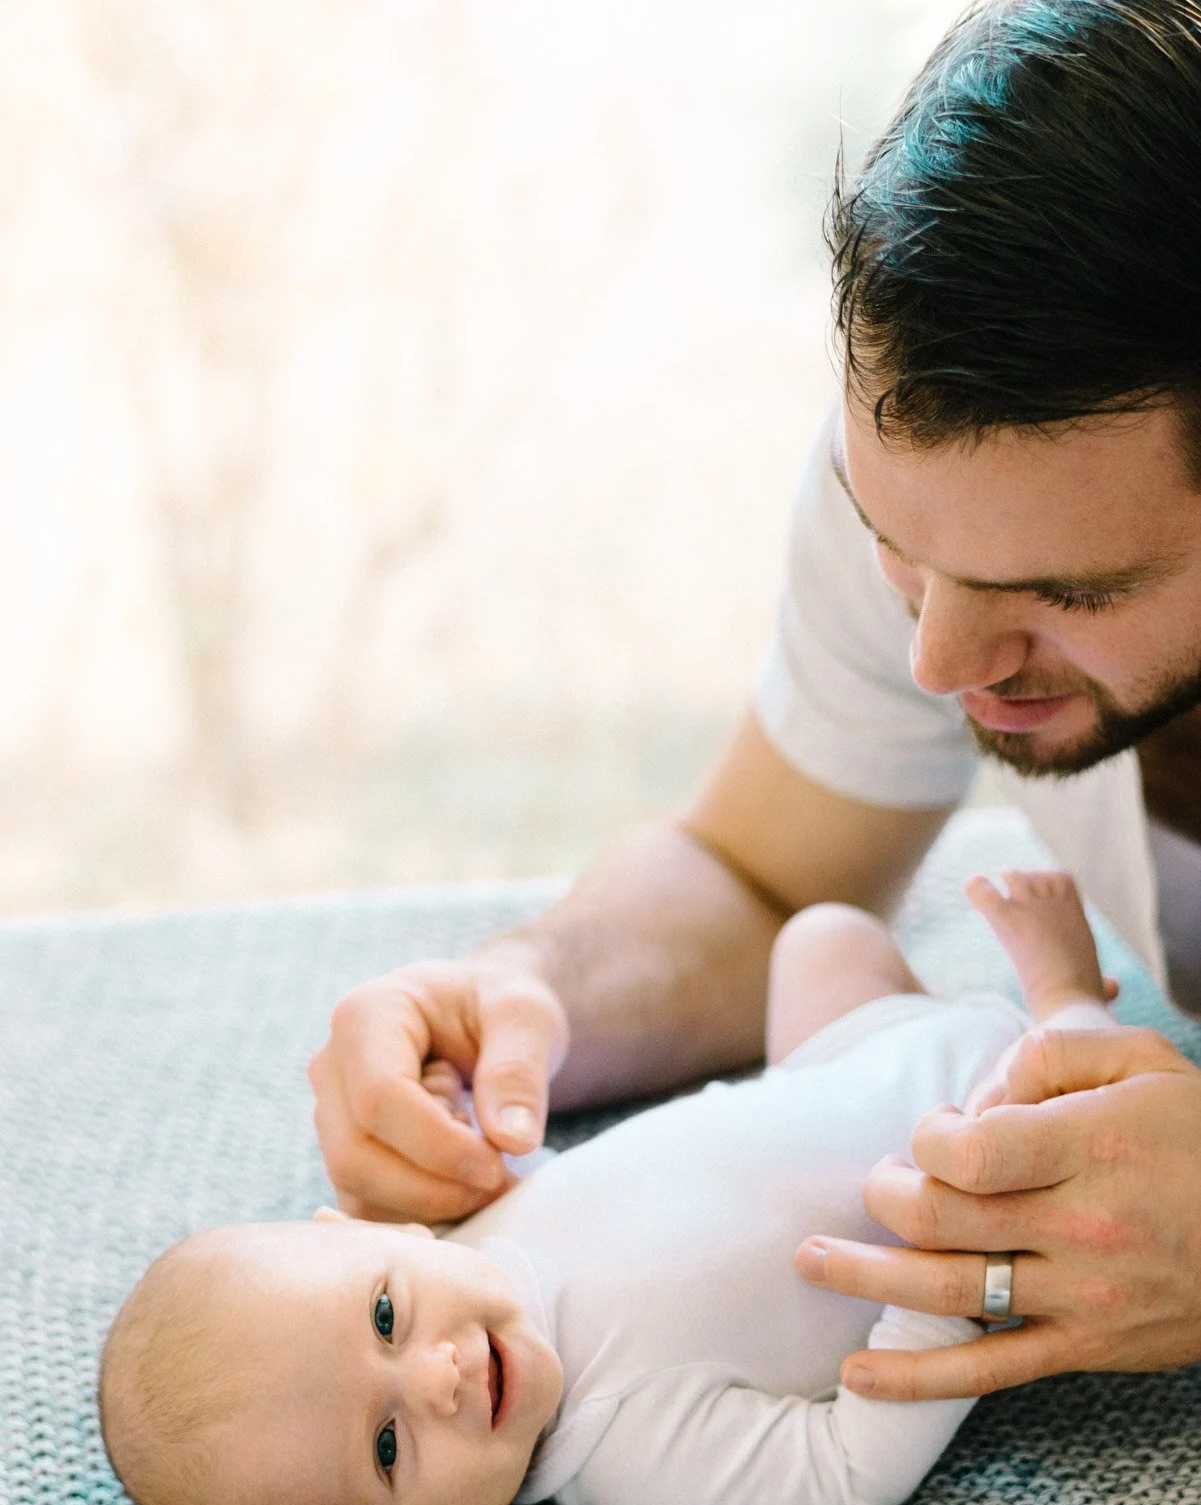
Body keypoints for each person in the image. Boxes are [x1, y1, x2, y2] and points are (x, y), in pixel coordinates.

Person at [308, 0, 1201, 1406]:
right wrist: (525, 997)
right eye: (897, 550)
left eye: (1062, 594)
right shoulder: (945, 497)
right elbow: (761, 877)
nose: (938, 661)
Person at [102, 871, 1116, 1505]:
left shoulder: (484, 1218)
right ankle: (1069, 998)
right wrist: (941, 1287)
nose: (438, 1378)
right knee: (1076, 1117)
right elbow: (845, 1469)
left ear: (373, 1234)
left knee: (822, 937)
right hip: (985, 1169)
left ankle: (953, 1008)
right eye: (387, 1448)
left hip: (839, 1063)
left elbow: (548, 1155)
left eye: (383, 1318)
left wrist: (459, 1101)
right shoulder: (632, 1454)